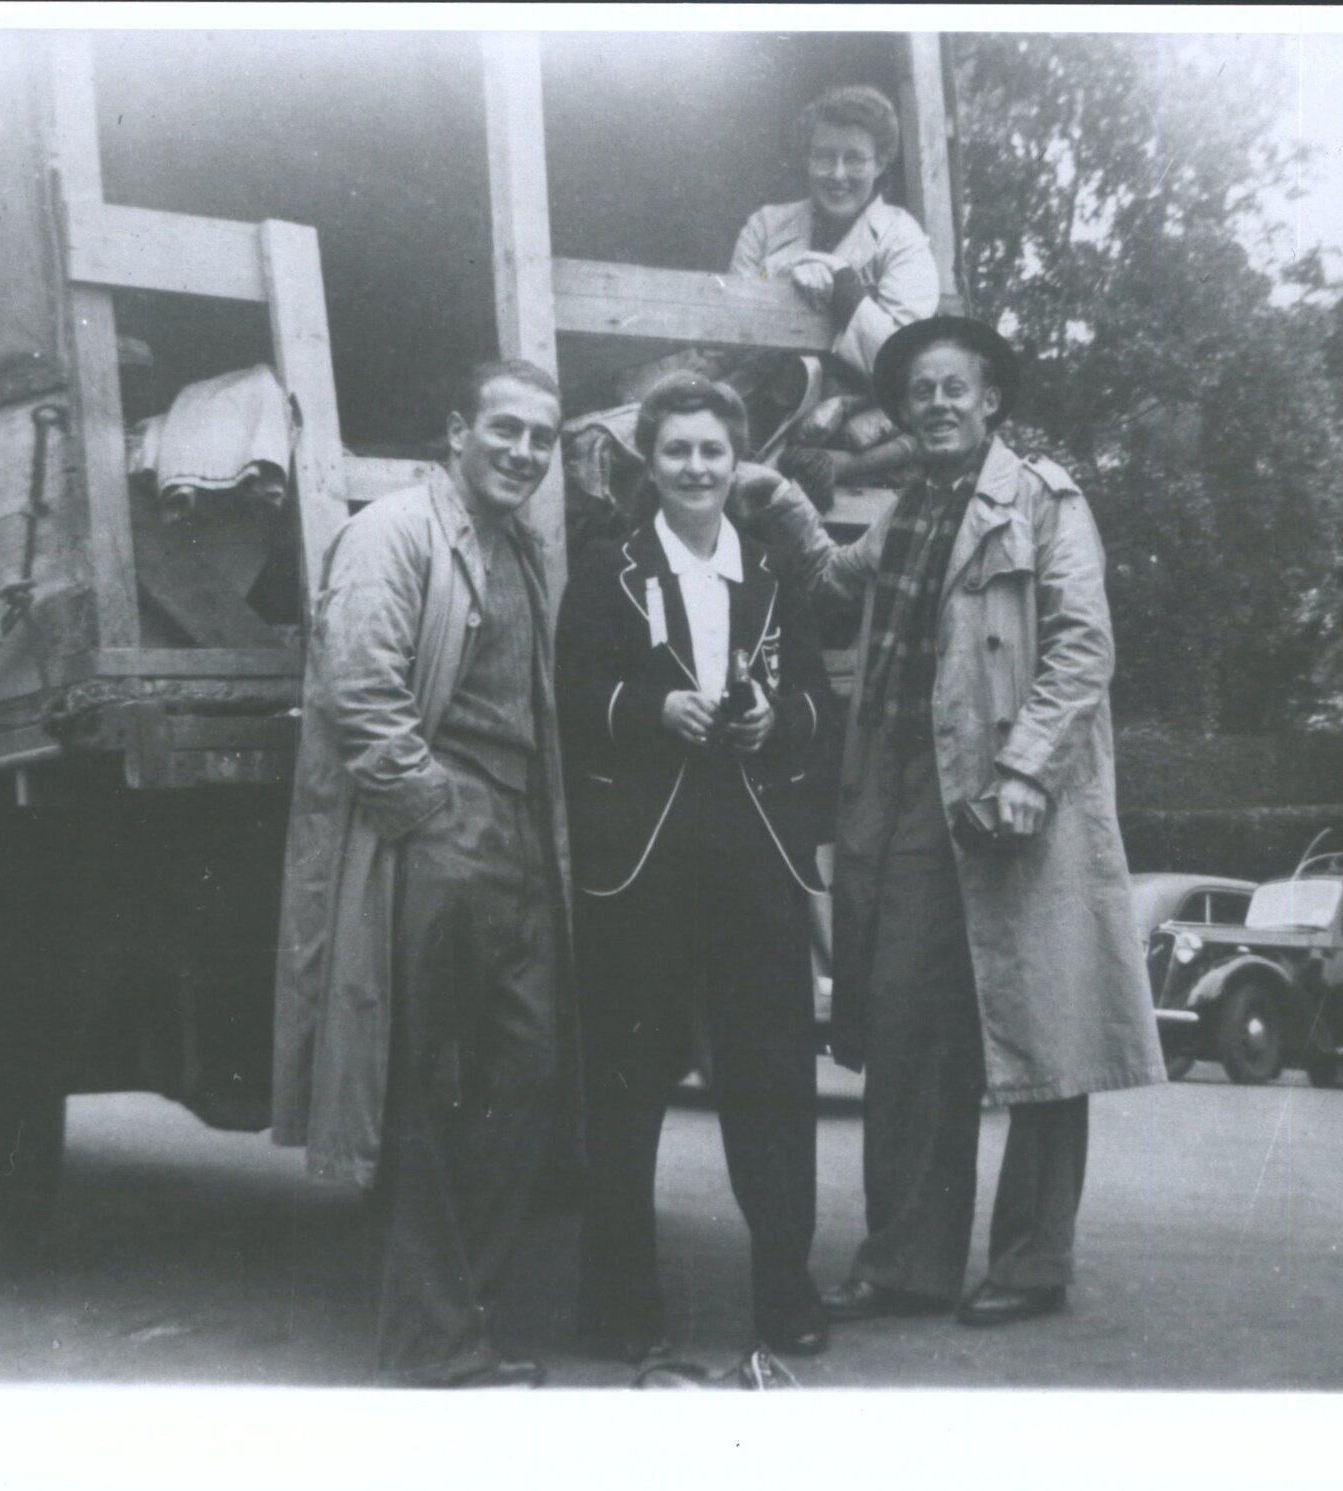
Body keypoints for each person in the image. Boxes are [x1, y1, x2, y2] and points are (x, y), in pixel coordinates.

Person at [738, 313, 1165, 1329]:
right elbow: (833, 592)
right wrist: (783, 504)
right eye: (918, 389)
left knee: (1044, 1036)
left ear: (990, 400)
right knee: (908, 1031)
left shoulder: (1046, 499)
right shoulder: (908, 509)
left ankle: (1031, 1261)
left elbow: (1080, 649)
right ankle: (906, 1263)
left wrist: (1024, 771)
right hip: (907, 800)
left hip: (1015, 802)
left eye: (952, 386)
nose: (934, 401)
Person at [270, 360, 572, 1389]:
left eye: (542, 436)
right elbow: (356, 686)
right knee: (423, 1090)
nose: (524, 451)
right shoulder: (395, 530)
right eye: (506, 429)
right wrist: (434, 814)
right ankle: (431, 1340)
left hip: (520, 833)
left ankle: (461, 1313)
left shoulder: (520, 549)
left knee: (525, 1074)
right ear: (457, 430)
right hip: (441, 831)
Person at [556, 374, 838, 1363]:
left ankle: (784, 1289)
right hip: (642, 860)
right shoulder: (606, 568)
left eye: (712, 450)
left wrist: (771, 720)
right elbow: (570, 688)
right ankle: (617, 1301)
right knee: (626, 1085)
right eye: (676, 450)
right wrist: (648, 710)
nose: (695, 468)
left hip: (753, 858)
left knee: (771, 1079)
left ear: (737, 461)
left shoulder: (767, 569)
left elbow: (814, 698)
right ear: (649, 460)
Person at [729, 84, 942, 498]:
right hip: (757, 403)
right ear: (807, 160)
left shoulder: (902, 239)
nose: (838, 174)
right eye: (825, 157)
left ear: (880, 162)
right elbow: (733, 325)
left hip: (842, 431)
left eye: (855, 158)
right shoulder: (766, 227)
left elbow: (902, 364)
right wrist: (789, 274)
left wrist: (844, 289)